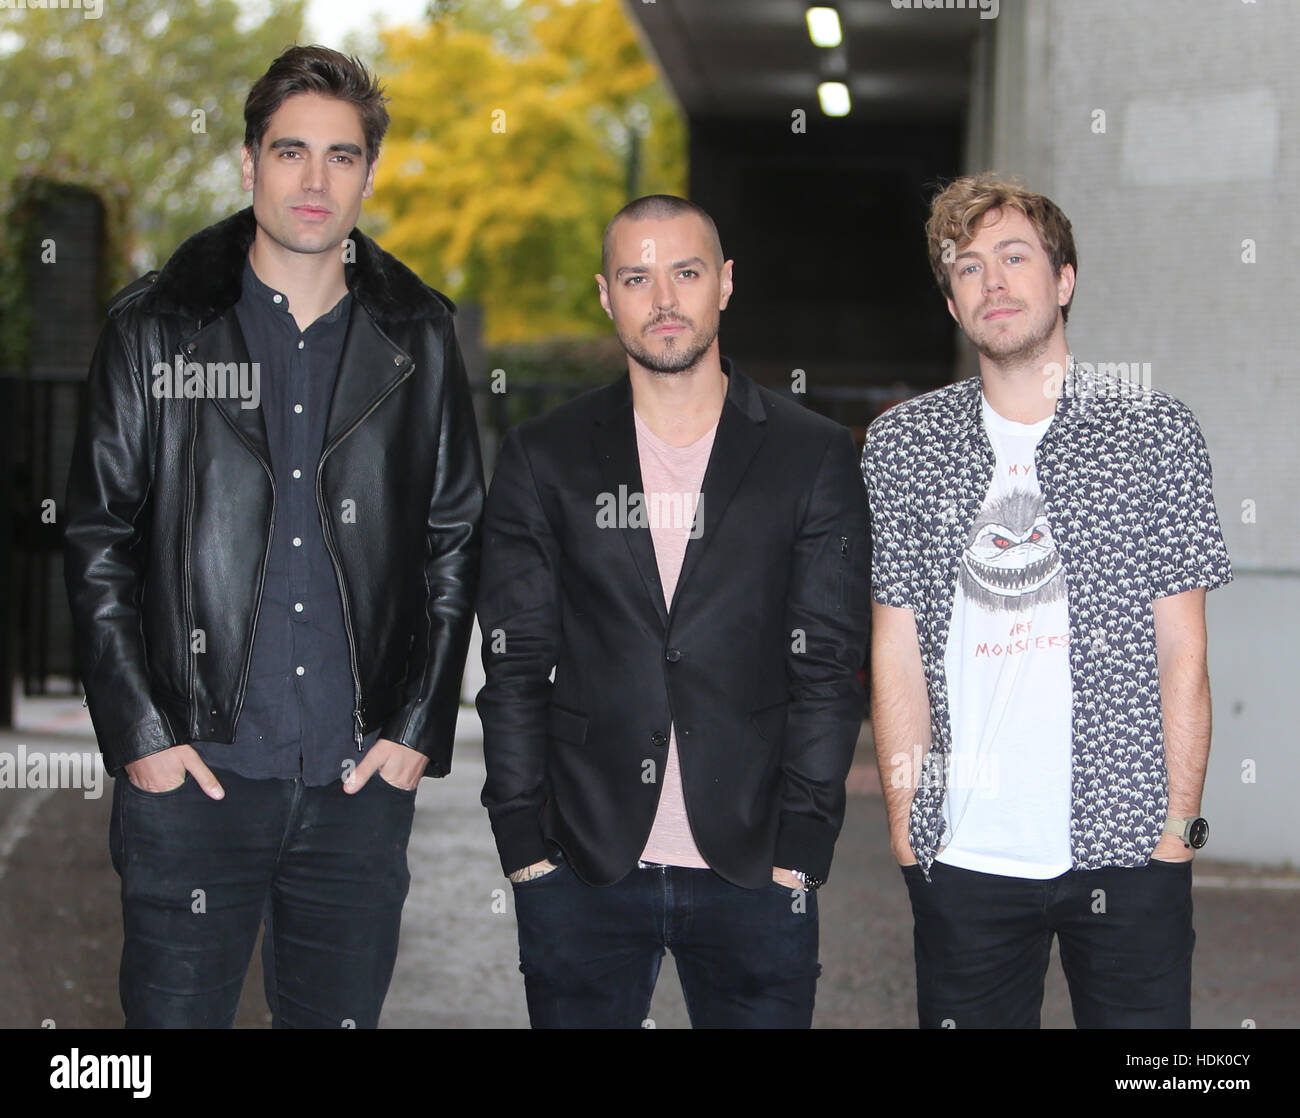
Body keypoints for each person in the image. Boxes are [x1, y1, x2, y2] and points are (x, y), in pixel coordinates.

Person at [63, 45, 484, 1028]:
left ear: (367, 174)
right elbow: (97, 540)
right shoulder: (156, 329)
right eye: (290, 151)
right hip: (193, 776)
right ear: (250, 163)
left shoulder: (418, 334)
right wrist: (144, 739)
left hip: (355, 784)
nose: (314, 178)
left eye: (341, 156)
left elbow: (454, 534)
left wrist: (417, 729)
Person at [475, 194, 870, 1028]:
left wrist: (802, 850)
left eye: (685, 272)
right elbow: (513, 664)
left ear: (724, 284)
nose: (663, 299)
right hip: (583, 867)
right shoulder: (543, 456)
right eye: (636, 276)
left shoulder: (811, 454)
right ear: (605, 294)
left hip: (756, 869)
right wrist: (523, 847)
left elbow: (829, 666)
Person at [862, 173, 1232, 1029]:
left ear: (1062, 281)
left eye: (1014, 257)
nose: (991, 282)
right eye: (966, 268)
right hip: (965, 855)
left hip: (1131, 848)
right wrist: (908, 827)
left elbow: (1184, 649)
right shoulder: (903, 446)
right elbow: (896, 646)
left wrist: (1179, 829)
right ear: (952, 305)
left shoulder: (1154, 430)